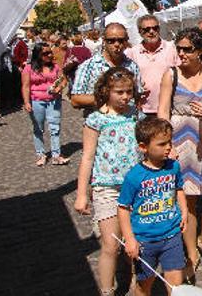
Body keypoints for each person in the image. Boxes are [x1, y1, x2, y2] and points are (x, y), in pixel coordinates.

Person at [158, 28, 202, 275]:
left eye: (187, 49)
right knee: (186, 203)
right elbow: (162, 113)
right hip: (180, 143)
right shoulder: (171, 75)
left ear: (199, 51)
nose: (181, 53)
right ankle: (191, 252)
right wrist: (166, 147)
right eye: (179, 48)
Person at [74, 67, 144, 296]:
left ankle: (137, 281)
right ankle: (107, 290)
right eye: (119, 92)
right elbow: (87, 157)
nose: (125, 97)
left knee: (134, 239)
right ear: (106, 91)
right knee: (111, 244)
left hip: (134, 187)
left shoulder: (135, 113)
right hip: (106, 188)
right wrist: (82, 193)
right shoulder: (96, 119)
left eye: (129, 92)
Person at [117, 118, 188, 295]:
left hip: (171, 236)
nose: (168, 147)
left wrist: (184, 211)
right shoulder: (134, 176)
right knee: (144, 286)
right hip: (145, 241)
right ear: (143, 147)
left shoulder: (174, 167)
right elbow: (123, 208)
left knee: (176, 287)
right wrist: (130, 238)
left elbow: (179, 188)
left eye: (170, 142)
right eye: (162, 144)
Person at [72, 23, 143, 114]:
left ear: (126, 42)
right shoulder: (89, 66)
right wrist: (109, 98)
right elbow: (75, 100)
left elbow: (138, 97)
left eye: (121, 40)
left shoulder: (132, 66)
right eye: (111, 41)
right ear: (104, 41)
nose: (117, 44)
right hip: (99, 123)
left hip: (127, 122)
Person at [22, 43, 69, 166]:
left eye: (50, 52)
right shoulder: (29, 68)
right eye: (45, 53)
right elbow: (26, 86)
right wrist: (27, 102)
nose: (49, 55)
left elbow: (63, 80)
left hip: (53, 101)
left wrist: (59, 88)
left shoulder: (55, 66)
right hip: (36, 101)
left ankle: (56, 155)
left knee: (55, 128)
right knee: (38, 128)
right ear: (38, 54)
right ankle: (40, 154)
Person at [125, 14, 179, 118]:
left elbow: (182, 74)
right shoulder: (131, 53)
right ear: (140, 32)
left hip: (171, 109)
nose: (151, 31)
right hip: (143, 110)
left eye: (155, 28)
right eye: (146, 29)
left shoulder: (172, 49)